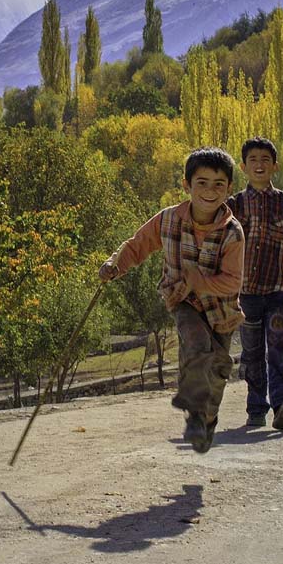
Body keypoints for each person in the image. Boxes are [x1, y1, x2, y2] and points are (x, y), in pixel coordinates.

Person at [100, 147, 245, 453]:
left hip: (222, 310)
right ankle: (195, 415)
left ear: (229, 188)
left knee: (218, 370)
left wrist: (199, 281)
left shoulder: (233, 233)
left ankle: (207, 420)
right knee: (195, 342)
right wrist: (115, 264)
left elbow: (233, 282)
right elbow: (137, 245)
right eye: (201, 183)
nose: (210, 191)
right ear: (186, 185)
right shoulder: (168, 220)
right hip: (183, 300)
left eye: (218, 184)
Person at [225, 137, 283, 430]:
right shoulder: (234, 205)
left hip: (278, 291)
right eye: (253, 159)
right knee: (252, 351)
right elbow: (220, 245)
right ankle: (256, 408)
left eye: (265, 159)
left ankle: (282, 404)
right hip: (246, 293)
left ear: (275, 166)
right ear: (243, 167)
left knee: (278, 347)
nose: (259, 164)